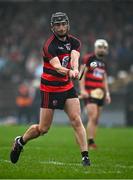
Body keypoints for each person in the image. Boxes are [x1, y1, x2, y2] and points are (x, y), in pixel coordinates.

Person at [10, 12, 90, 166]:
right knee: (43, 128)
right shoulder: (49, 45)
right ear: (52, 27)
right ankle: (20, 141)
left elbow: (75, 58)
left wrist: (74, 69)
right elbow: (57, 67)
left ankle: (85, 157)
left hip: (67, 87)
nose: (61, 28)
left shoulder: (75, 42)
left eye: (63, 24)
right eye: (57, 25)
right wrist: (70, 72)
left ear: (68, 24)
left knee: (76, 120)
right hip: (50, 88)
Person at [79, 39, 111, 149]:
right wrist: (82, 90)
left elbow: (104, 79)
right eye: (100, 47)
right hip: (89, 92)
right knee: (92, 116)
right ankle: (90, 141)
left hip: (100, 94)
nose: (102, 49)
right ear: (95, 48)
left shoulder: (104, 63)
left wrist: (107, 94)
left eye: (104, 48)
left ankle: (89, 138)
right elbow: (82, 74)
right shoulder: (89, 58)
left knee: (96, 119)